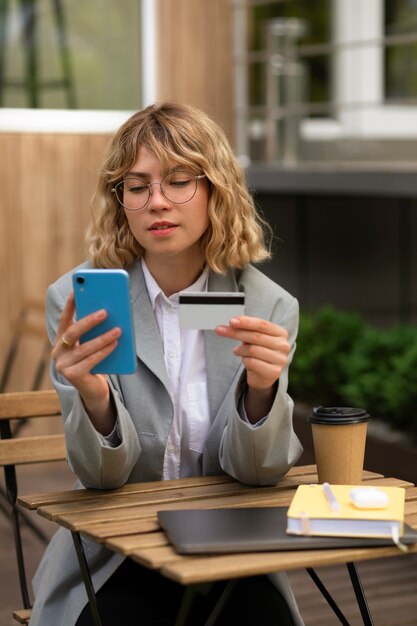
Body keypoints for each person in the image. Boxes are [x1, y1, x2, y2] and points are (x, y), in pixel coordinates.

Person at [30, 101, 304, 626]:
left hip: (232, 548)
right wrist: (93, 395)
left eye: (179, 181)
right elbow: (101, 479)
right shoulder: (80, 300)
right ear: (122, 200)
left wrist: (262, 393)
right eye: (138, 186)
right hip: (115, 551)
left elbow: (256, 473)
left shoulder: (268, 305)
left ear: (215, 190)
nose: (157, 202)